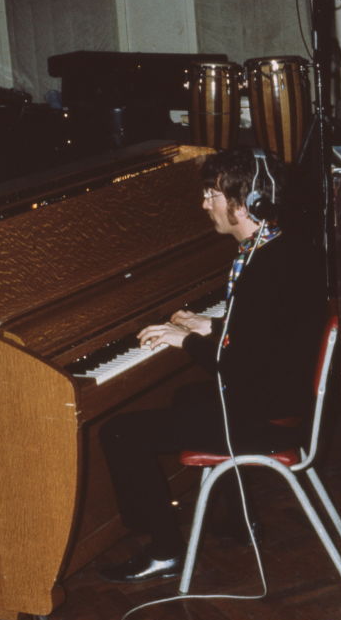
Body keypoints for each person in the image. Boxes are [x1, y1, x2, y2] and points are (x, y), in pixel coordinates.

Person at [98, 147, 326, 583]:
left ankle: (164, 550)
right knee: (188, 395)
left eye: (211, 194)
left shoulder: (267, 267)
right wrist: (212, 323)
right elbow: (270, 332)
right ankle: (240, 520)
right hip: (283, 400)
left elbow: (243, 366)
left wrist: (187, 340)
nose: (204, 204)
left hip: (270, 418)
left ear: (247, 202)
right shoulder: (280, 249)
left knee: (121, 432)